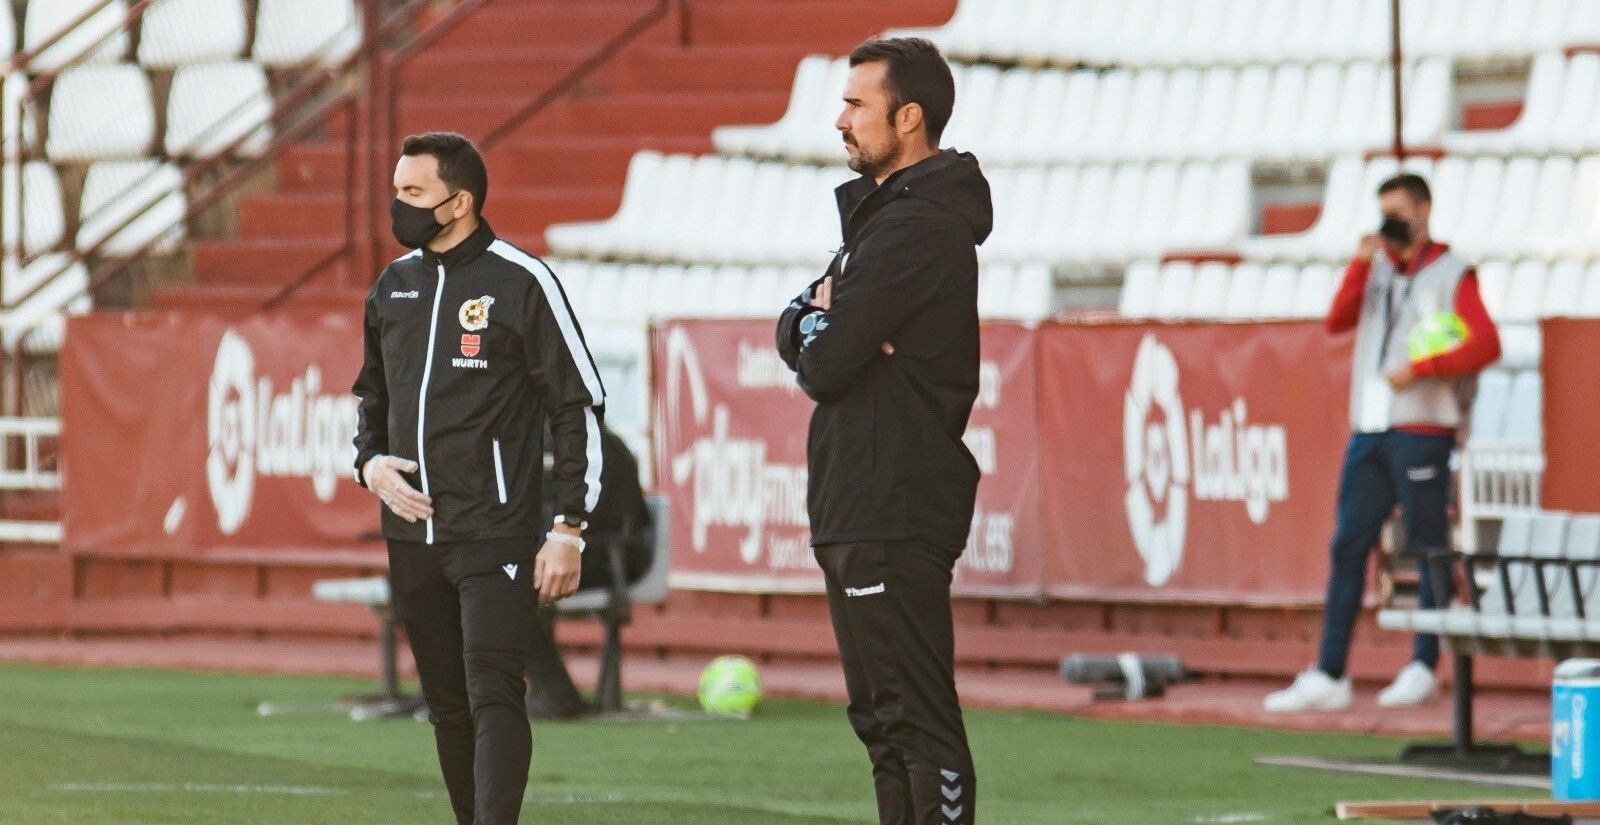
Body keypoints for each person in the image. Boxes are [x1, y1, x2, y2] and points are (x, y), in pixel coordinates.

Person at [351, 131, 606, 824]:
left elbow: (578, 404)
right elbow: (369, 402)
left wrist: (568, 528)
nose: (397, 206)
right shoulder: (393, 286)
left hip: (495, 531)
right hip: (410, 534)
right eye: (395, 190)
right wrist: (370, 464)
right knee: (446, 703)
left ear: (458, 201)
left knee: (494, 689)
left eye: (413, 193)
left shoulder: (522, 280)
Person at [775, 37, 990, 825]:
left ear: (909, 117)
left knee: (915, 715)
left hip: (895, 498)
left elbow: (825, 365)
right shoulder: (881, 222)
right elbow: (797, 327)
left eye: (856, 105)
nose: (840, 120)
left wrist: (825, 328)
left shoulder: (918, 229)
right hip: (857, 501)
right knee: (881, 721)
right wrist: (820, 322)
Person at [1264, 173, 1501, 713]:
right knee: (1349, 544)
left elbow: (1486, 343)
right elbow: (1336, 322)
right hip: (1370, 428)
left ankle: (1424, 663)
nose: (1392, 225)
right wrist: (1359, 262)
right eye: (1384, 215)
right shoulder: (1375, 271)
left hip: (1423, 427)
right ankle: (1331, 670)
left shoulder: (1451, 271)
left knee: (1427, 545)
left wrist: (1422, 369)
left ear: (1423, 210)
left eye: (1400, 214)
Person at [524, 425, 655, 719]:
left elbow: (630, 520)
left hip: (605, 560)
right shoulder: (606, 441)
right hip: (601, 556)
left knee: (503, 583)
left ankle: (553, 690)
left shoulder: (598, 448)